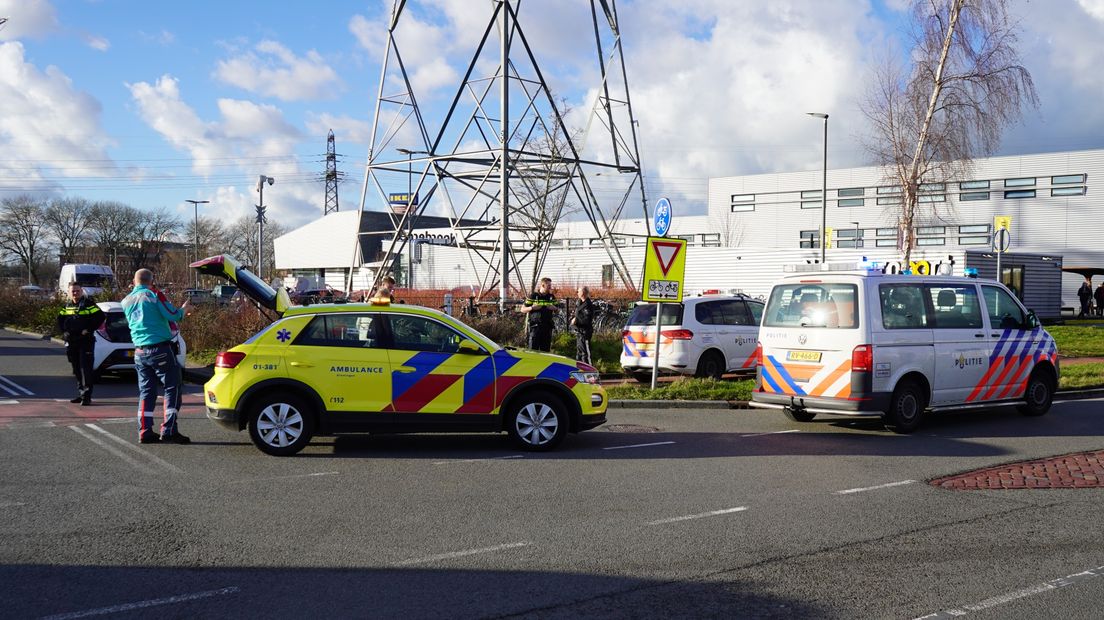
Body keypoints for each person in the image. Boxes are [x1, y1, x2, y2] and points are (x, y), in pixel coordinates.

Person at [122, 269, 189, 444]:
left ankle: (144, 431)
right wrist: (184, 310)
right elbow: (173, 315)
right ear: (152, 281)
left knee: (146, 392)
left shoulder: (126, 301)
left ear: (134, 281)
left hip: (139, 352)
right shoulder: (153, 295)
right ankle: (169, 429)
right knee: (172, 387)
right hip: (159, 349)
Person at [57, 282, 105, 406]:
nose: (75, 293)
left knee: (86, 369)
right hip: (72, 342)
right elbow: (60, 319)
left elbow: (100, 317)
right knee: (76, 369)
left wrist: (88, 329)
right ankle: (81, 393)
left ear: (81, 291)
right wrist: (64, 332)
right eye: (73, 291)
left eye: (77, 291)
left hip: (86, 342)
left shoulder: (88, 304)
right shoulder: (67, 305)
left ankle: (87, 396)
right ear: (69, 292)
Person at [520, 277, 557, 352]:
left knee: (546, 352)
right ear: (543, 285)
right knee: (533, 351)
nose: (550, 287)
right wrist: (532, 308)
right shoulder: (533, 296)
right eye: (549, 285)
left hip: (547, 328)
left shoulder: (551, 297)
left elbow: (558, 310)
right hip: (535, 328)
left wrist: (554, 308)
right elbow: (522, 309)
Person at [571, 286, 595, 364]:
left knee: (586, 353)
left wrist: (576, 321)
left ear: (583, 293)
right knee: (579, 353)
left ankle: (590, 372)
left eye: (578, 291)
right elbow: (577, 314)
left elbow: (587, 320)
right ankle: (579, 371)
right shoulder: (579, 302)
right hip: (579, 331)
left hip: (585, 332)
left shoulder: (588, 305)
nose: (577, 293)